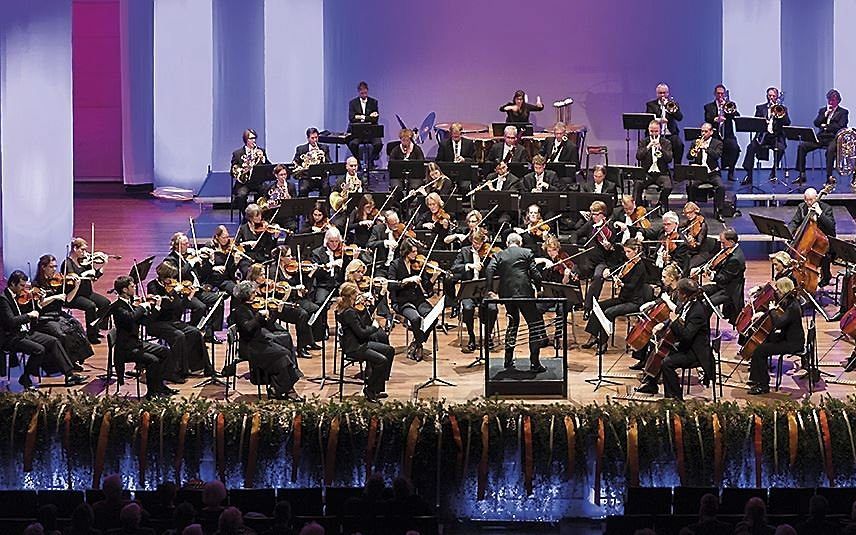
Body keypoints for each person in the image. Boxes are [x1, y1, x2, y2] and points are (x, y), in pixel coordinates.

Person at [0, 270, 87, 389]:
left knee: (53, 341)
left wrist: (38, 303)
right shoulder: (3, 299)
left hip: (24, 332)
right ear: (12, 284)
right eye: (21, 286)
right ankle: (26, 377)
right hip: (11, 337)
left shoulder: (18, 296)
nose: (23, 289)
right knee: (39, 350)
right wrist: (29, 316)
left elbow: (27, 310)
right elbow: (10, 321)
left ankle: (69, 375)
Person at [230, 281, 303, 401]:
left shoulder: (255, 306)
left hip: (260, 341)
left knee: (285, 348)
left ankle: (279, 388)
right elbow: (248, 329)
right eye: (253, 292)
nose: (256, 294)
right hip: (250, 346)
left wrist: (274, 313)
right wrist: (258, 316)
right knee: (282, 354)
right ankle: (282, 389)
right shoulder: (239, 311)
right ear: (246, 295)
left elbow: (268, 324)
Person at [484, 232, 546, 371]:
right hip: (525, 293)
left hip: (507, 295)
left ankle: (508, 360)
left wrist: (490, 289)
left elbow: (489, 269)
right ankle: (535, 363)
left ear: (507, 243)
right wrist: (539, 288)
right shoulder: (526, 252)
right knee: (534, 325)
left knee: (512, 324)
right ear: (520, 243)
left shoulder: (499, 254)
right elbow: (535, 273)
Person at [111, 276, 174, 399]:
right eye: (132, 286)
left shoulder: (131, 304)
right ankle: (151, 393)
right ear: (124, 289)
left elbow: (146, 322)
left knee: (165, 351)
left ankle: (159, 386)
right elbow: (131, 318)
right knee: (153, 360)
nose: (134, 288)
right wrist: (142, 307)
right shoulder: (118, 307)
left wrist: (157, 307)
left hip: (136, 343)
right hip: (126, 348)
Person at [146, 262, 211, 381]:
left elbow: (179, 306)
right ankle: (173, 372)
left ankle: (202, 367)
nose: (174, 280)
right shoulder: (153, 286)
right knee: (179, 336)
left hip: (173, 321)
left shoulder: (173, 287)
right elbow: (164, 305)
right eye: (172, 277)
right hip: (157, 322)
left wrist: (189, 296)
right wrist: (172, 293)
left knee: (195, 332)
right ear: (164, 277)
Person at [581, 239, 647, 350]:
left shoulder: (640, 267)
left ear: (636, 251)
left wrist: (621, 284)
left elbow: (632, 286)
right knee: (599, 306)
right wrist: (608, 270)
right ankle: (593, 336)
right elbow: (617, 268)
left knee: (609, 312)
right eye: (625, 252)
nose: (626, 255)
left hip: (634, 302)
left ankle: (603, 342)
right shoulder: (628, 263)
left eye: (629, 252)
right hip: (623, 298)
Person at [654, 278, 713, 400]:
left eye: (678, 292)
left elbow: (686, 335)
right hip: (686, 345)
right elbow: (679, 319)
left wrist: (675, 321)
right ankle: (652, 385)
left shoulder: (697, 311)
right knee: (658, 350)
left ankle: (676, 398)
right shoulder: (686, 304)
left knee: (667, 363)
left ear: (684, 294)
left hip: (695, 351)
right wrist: (664, 324)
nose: (677, 294)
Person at [32, 254, 94, 368]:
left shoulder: (58, 281)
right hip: (45, 317)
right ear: (43, 267)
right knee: (62, 334)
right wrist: (54, 297)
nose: (54, 269)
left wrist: (76, 286)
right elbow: (39, 304)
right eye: (51, 267)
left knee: (76, 326)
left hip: (58, 314)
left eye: (55, 266)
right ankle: (67, 363)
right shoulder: (36, 284)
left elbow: (68, 299)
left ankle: (75, 359)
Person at [335, 282, 393, 402]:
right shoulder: (349, 312)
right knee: (382, 361)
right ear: (350, 297)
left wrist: (369, 306)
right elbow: (361, 332)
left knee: (389, 350)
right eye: (356, 295)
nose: (358, 297)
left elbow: (362, 323)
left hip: (361, 343)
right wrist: (375, 327)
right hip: (355, 348)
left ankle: (377, 387)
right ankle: (370, 389)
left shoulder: (349, 309)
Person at [746, 277, 805, 394]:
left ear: (783, 290)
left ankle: (763, 385)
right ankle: (756, 378)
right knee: (762, 343)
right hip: (786, 337)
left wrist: (772, 310)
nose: (776, 292)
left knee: (760, 350)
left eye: (778, 290)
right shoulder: (789, 302)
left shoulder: (793, 307)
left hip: (792, 343)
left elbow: (778, 323)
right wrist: (763, 314)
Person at [166, 232, 226, 341]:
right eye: (185, 244)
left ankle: (209, 333)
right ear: (176, 245)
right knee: (200, 307)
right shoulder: (171, 260)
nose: (188, 246)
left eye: (188, 243)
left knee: (218, 300)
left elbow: (203, 274)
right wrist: (190, 263)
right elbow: (179, 274)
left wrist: (210, 261)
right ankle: (192, 330)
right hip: (185, 293)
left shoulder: (190, 256)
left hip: (197, 290)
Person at [387, 239, 440, 360]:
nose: (416, 254)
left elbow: (427, 287)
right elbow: (391, 285)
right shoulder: (395, 265)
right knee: (416, 319)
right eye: (414, 251)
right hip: (402, 301)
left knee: (432, 318)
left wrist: (434, 277)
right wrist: (406, 281)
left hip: (418, 299)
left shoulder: (418, 264)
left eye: (416, 251)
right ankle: (420, 344)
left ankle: (416, 342)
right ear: (406, 252)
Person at [451, 228, 498, 353]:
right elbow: (454, 267)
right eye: (475, 242)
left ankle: (488, 336)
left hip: (485, 290)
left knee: (493, 308)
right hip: (469, 290)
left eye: (479, 243)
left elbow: (498, 270)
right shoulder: (464, 251)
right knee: (467, 308)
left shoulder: (488, 254)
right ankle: (471, 337)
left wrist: (492, 260)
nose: (477, 246)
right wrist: (469, 266)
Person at [62, 237, 111, 344]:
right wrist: (84, 274)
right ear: (75, 249)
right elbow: (73, 277)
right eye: (82, 250)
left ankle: (95, 326)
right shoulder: (67, 263)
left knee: (106, 304)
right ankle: (91, 335)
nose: (85, 253)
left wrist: (102, 266)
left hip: (87, 293)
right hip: (74, 295)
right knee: (91, 306)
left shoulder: (84, 262)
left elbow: (94, 278)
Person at [795, 89, 849, 186]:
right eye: (829, 100)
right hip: (821, 137)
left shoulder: (843, 112)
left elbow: (841, 126)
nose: (831, 102)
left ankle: (829, 177)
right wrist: (825, 115)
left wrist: (826, 126)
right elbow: (816, 123)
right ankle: (802, 174)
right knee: (802, 146)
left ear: (838, 101)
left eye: (833, 100)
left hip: (834, 138)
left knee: (830, 151)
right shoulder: (823, 110)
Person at [578, 200, 623, 316]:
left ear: (603, 214)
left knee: (598, 276)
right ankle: (575, 302)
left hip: (602, 262)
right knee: (572, 271)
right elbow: (576, 234)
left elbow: (614, 247)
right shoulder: (590, 225)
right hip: (588, 261)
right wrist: (576, 245)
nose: (594, 216)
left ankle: (588, 307)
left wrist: (609, 246)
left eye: (596, 214)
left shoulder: (610, 227)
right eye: (592, 214)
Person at [787, 186, 836, 287]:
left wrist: (820, 213)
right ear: (804, 199)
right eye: (807, 200)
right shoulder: (802, 207)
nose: (809, 202)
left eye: (812, 200)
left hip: (823, 244)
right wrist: (788, 233)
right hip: (807, 243)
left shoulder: (826, 209)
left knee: (825, 256)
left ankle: (826, 276)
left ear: (817, 197)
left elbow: (831, 227)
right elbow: (794, 222)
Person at [741, 86, 791, 186]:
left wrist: (780, 114)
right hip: (763, 136)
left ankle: (773, 172)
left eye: (773, 96)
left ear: (777, 97)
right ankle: (748, 175)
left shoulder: (782, 109)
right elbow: (755, 123)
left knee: (780, 149)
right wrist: (765, 121)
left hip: (776, 137)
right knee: (750, 148)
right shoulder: (760, 108)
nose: (771, 98)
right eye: (769, 96)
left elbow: (787, 123)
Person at [696, 229, 745, 324]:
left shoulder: (735, 259)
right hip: (721, 286)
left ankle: (703, 329)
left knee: (707, 304)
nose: (721, 245)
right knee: (697, 292)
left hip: (729, 290)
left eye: (723, 242)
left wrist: (711, 275)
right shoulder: (729, 250)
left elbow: (724, 279)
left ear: (731, 242)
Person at [686, 122, 726, 222]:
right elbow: (689, 156)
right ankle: (692, 211)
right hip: (700, 172)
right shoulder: (696, 142)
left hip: (713, 172)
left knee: (720, 187)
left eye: (706, 131)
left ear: (711, 132)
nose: (703, 133)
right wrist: (694, 153)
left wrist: (706, 148)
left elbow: (717, 155)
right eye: (702, 131)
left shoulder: (718, 143)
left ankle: (719, 211)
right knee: (691, 186)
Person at [703, 84, 741, 181]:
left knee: (735, 148)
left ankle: (731, 171)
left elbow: (737, 116)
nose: (720, 96)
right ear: (715, 94)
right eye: (718, 93)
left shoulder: (729, 104)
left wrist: (728, 108)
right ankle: (715, 171)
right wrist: (715, 119)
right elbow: (707, 118)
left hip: (728, 135)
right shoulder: (709, 106)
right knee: (711, 150)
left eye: (722, 94)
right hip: (715, 135)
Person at [634, 120, 673, 212]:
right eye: (652, 131)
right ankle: (638, 208)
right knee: (638, 184)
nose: (654, 133)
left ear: (660, 130)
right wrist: (648, 147)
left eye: (656, 131)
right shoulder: (644, 141)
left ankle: (661, 203)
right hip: (647, 173)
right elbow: (638, 156)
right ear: (648, 130)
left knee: (668, 187)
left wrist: (661, 149)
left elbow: (669, 159)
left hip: (661, 173)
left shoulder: (666, 142)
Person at [231, 128, 271, 215]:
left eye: (254, 138)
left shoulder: (261, 151)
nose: (254, 140)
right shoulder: (237, 154)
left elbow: (268, 167)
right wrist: (242, 170)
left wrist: (263, 159)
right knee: (241, 195)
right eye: (251, 138)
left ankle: (261, 215)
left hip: (258, 182)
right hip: (244, 183)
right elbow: (232, 171)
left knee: (267, 191)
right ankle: (246, 216)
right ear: (246, 140)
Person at [645, 83, 684, 164]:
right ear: (657, 94)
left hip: (670, 134)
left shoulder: (673, 104)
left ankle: (677, 168)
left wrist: (669, 107)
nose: (662, 95)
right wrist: (659, 120)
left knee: (679, 145)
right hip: (655, 134)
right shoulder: (651, 105)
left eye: (664, 93)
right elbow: (649, 118)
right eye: (660, 93)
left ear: (668, 93)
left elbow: (679, 118)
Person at [347, 81, 382, 164]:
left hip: (371, 131)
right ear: (359, 92)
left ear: (367, 91)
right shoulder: (353, 103)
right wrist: (368, 117)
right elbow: (351, 118)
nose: (364, 95)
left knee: (378, 144)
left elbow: (375, 119)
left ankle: (370, 161)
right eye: (362, 93)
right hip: (357, 131)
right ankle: (358, 162)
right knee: (352, 144)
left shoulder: (373, 102)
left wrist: (360, 116)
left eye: (365, 93)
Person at [293, 127, 331, 196]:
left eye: (316, 137)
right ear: (308, 138)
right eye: (312, 138)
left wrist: (323, 157)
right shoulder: (301, 149)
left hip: (321, 177)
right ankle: (304, 206)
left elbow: (329, 163)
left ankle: (323, 206)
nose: (315, 140)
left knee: (326, 188)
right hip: (307, 178)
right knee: (303, 189)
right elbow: (295, 163)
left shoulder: (324, 148)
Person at [262, 164, 298, 231]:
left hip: (287, 215)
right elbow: (265, 200)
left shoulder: (291, 186)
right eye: (281, 175)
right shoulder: (269, 186)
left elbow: (294, 203)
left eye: (285, 174)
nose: (283, 177)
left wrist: (288, 195)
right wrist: (269, 204)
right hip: (273, 214)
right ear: (276, 175)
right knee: (269, 228)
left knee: (293, 227)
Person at [679, 202, 711, 268]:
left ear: (695, 212)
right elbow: (681, 225)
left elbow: (698, 243)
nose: (688, 215)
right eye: (686, 213)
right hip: (691, 250)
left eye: (690, 213)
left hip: (701, 252)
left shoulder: (702, 225)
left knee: (688, 266)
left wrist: (691, 242)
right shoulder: (690, 221)